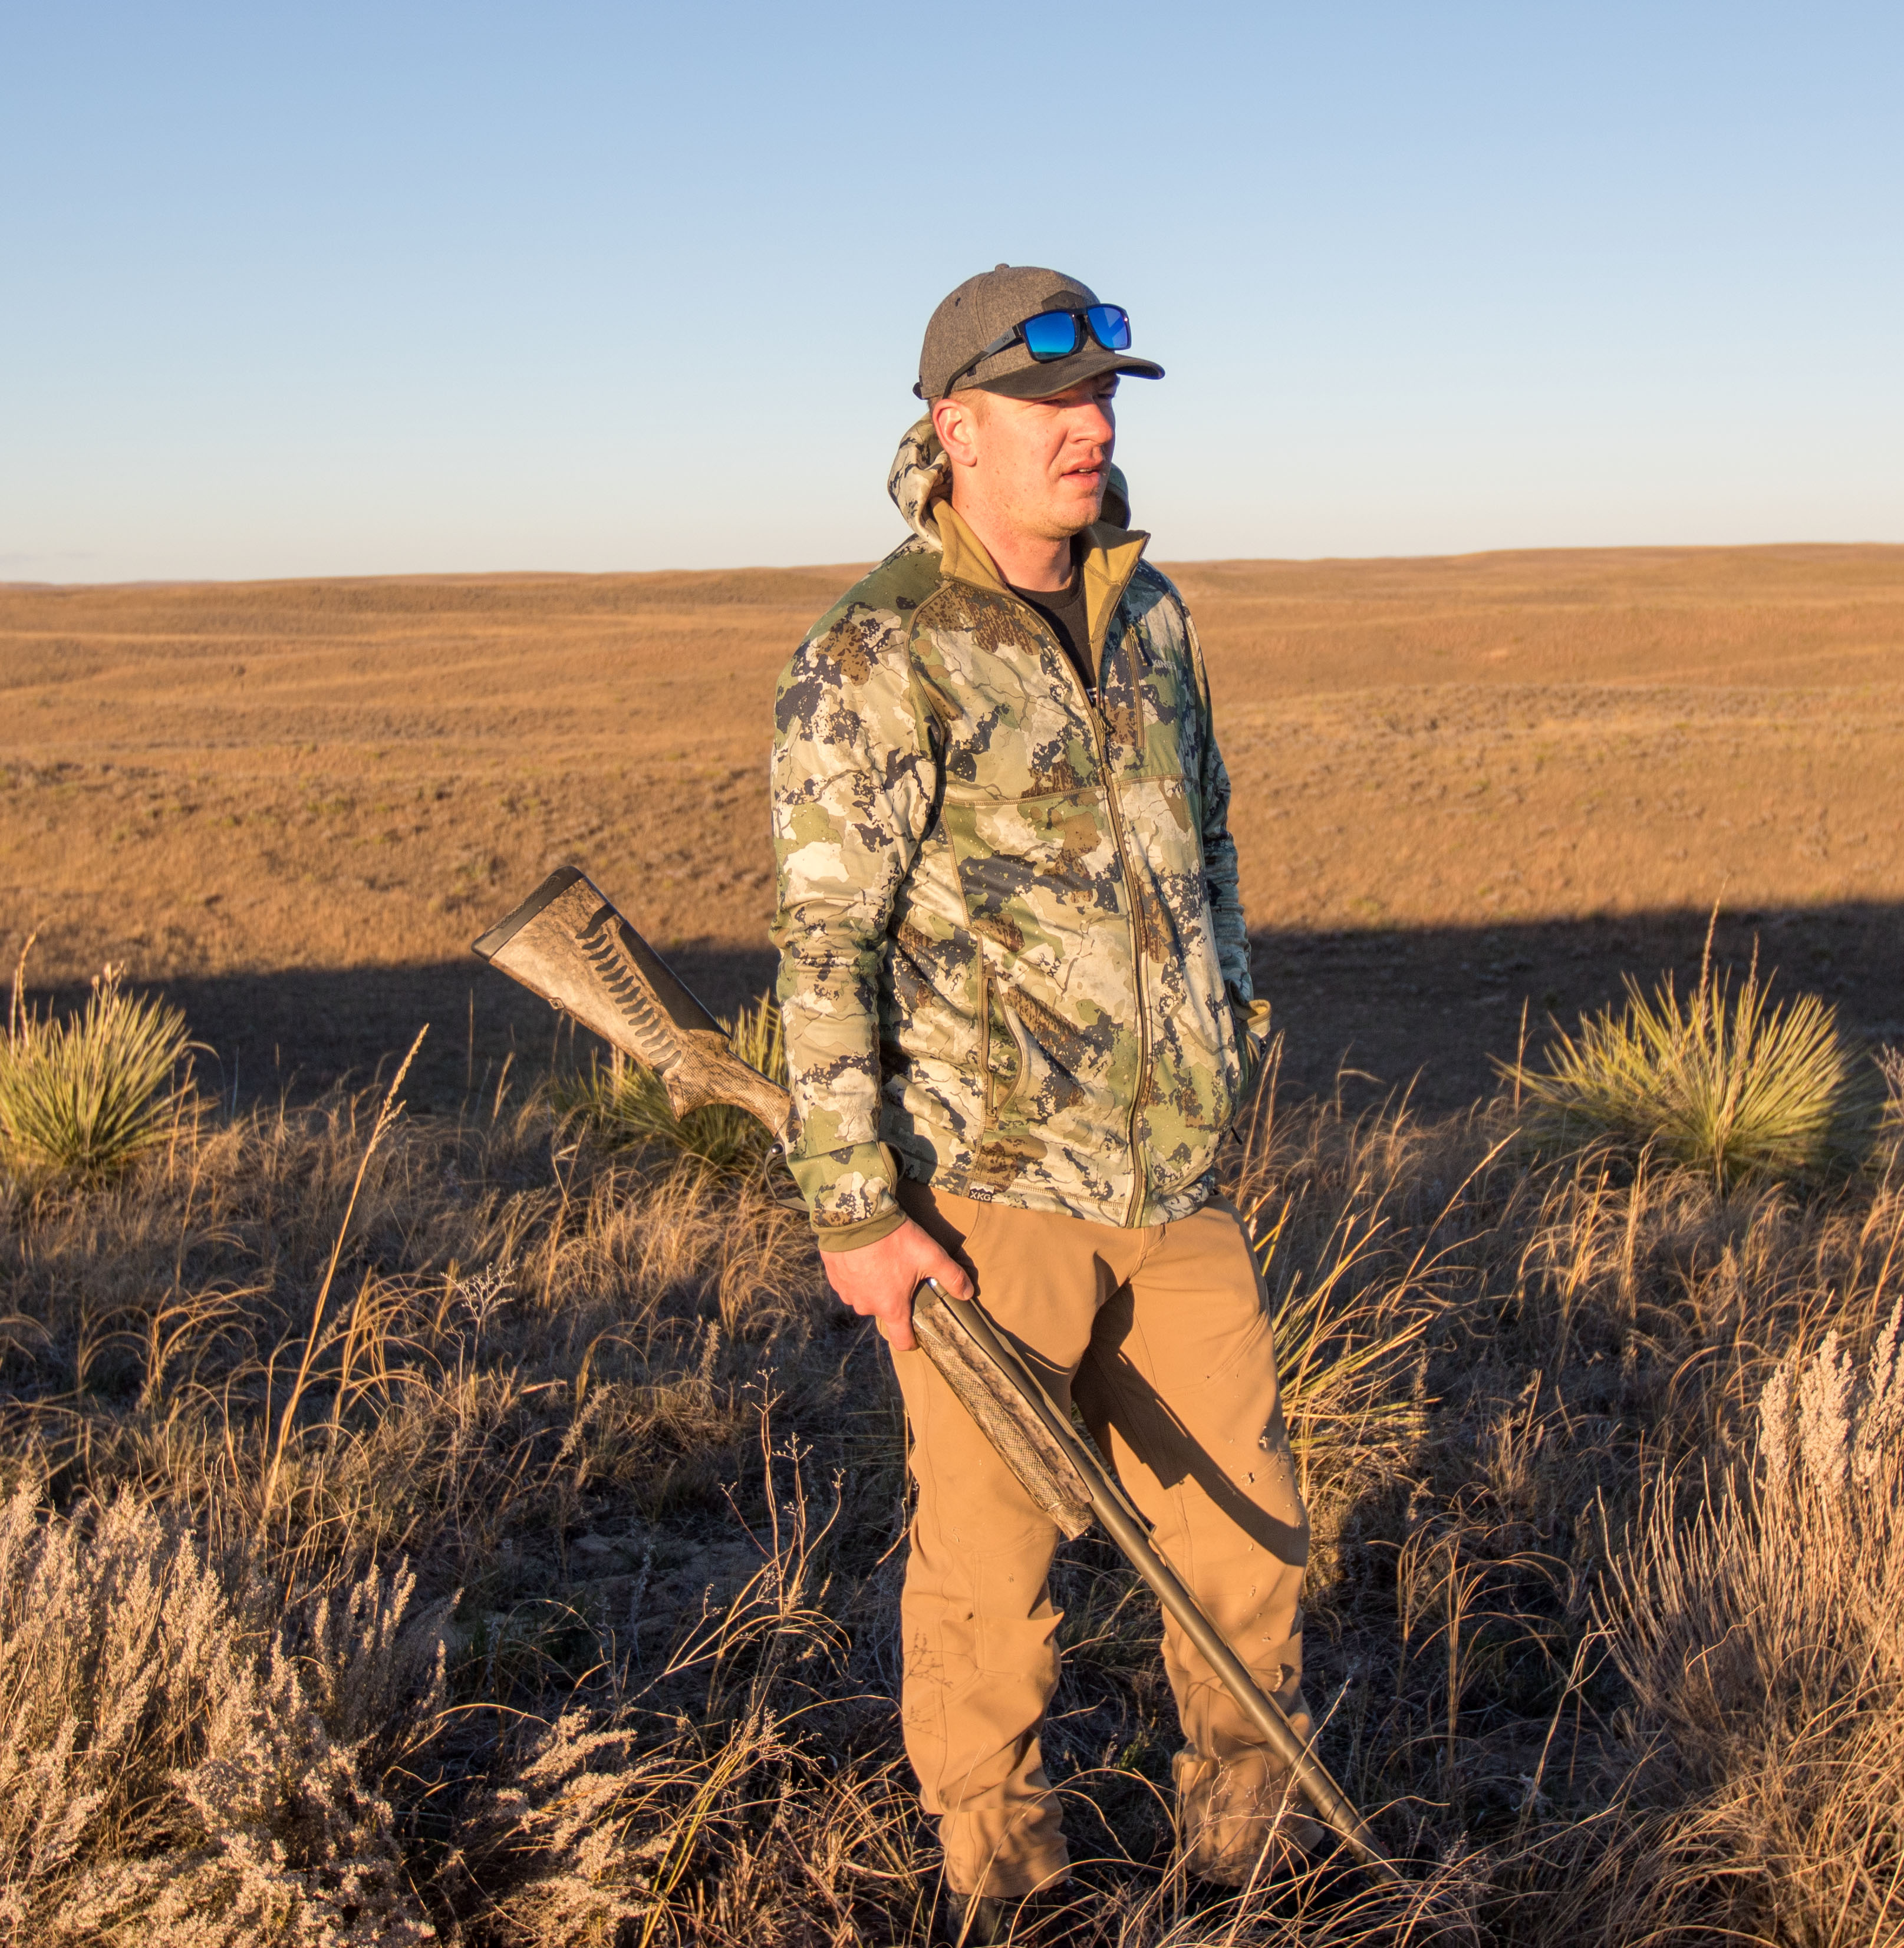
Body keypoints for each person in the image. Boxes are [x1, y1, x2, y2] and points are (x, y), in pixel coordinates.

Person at [769, 264, 1306, 1937]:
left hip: (1177, 1188)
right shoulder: (877, 652)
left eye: (1106, 401)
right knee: (998, 1580)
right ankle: (1009, 1886)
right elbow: (820, 940)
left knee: (1249, 1542)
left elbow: (1205, 853)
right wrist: (860, 1212)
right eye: (1055, 406)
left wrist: (1229, 1043)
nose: (1093, 431)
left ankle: (1246, 1862)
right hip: (991, 1199)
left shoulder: (1153, 618)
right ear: (958, 431)